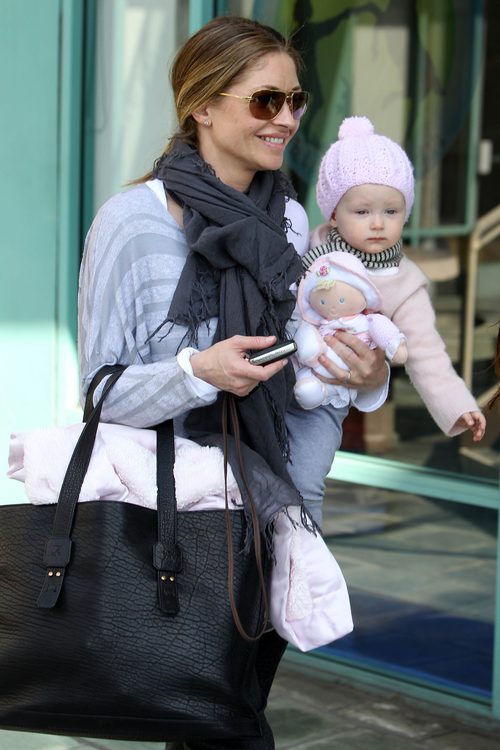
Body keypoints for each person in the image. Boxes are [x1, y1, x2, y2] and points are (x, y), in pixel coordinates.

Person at [78, 17, 387, 749]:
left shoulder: (285, 217)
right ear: (202, 106)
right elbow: (99, 393)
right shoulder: (130, 221)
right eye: (263, 101)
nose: (285, 119)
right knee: (226, 728)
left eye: (294, 99)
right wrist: (197, 372)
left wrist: (361, 376)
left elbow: (301, 355)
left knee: (227, 720)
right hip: (178, 530)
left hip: (276, 517)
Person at [307, 115, 486, 445]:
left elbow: (427, 352)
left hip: (334, 402)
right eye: (362, 212)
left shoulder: (404, 282)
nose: (378, 224)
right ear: (333, 213)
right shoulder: (309, 250)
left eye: (391, 212)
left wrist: (458, 406)